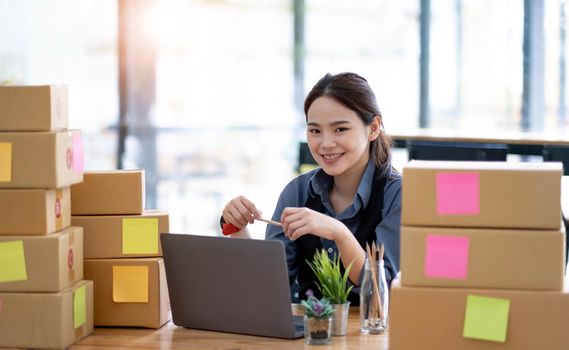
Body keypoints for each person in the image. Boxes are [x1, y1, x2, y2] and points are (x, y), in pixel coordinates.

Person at [221, 72, 402, 304]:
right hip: (310, 333)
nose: (325, 144)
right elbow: (265, 288)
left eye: (340, 129)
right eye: (315, 131)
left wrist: (339, 233)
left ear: (373, 128)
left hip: (371, 337)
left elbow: (381, 292)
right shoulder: (296, 192)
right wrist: (235, 227)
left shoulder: (398, 195)